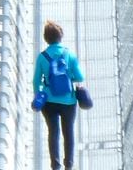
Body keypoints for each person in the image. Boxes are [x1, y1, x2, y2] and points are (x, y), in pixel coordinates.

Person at [32, 20, 86, 167]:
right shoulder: (69, 54)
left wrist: (39, 94)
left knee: (53, 132)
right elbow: (80, 77)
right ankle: (69, 164)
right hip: (69, 101)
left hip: (49, 101)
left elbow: (36, 80)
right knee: (68, 132)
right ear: (60, 36)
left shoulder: (42, 57)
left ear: (45, 38)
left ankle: (55, 165)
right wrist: (69, 77)